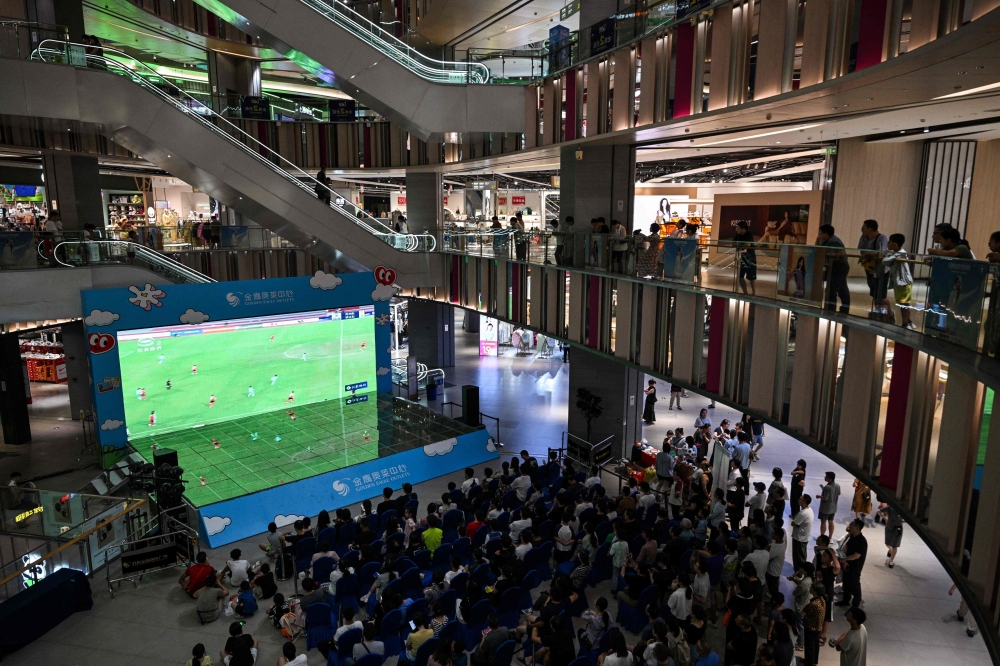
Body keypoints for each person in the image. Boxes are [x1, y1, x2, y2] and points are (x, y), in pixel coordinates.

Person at [882, 233, 914, 329]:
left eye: (889, 242)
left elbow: (885, 261)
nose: (887, 244)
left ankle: (905, 323)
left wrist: (885, 255)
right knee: (903, 303)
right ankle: (908, 321)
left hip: (903, 283)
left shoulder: (900, 254)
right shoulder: (897, 253)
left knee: (904, 303)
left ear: (895, 245)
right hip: (901, 283)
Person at [857, 219, 890, 313]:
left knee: (881, 296)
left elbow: (882, 254)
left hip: (881, 270)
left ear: (870, 229)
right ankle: (878, 313)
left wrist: (867, 254)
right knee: (875, 294)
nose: (862, 230)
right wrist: (873, 254)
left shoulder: (882, 237)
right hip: (870, 270)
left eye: (863, 228)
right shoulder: (863, 237)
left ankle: (889, 314)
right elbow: (861, 251)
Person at [817, 224, 850, 313]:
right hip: (837, 267)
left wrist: (828, 254)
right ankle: (844, 308)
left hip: (839, 268)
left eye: (820, 233)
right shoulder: (828, 240)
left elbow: (841, 253)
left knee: (832, 290)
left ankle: (831, 310)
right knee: (842, 288)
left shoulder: (833, 241)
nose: (819, 235)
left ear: (826, 234)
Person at [837, 519, 867, 609]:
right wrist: (845, 561)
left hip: (855, 567)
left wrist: (845, 559)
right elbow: (846, 548)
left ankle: (855, 606)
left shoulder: (861, 541)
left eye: (852, 524)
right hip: (847, 565)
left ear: (857, 528)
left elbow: (856, 555)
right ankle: (845, 600)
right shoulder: (852, 536)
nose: (850, 525)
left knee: (855, 586)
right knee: (846, 583)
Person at [802, 583, 827, 666]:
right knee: (815, 646)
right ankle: (813, 661)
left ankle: (808, 663)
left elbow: (803, 612)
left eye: (812, 588)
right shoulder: (822, 600)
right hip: (818, 627)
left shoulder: (813, 604)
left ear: (815, 591)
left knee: (810, 647)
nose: (810, 588)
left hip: (811, 628)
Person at [732, 221, 757, 296]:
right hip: (741, 258)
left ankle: (754, 293)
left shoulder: (748, 234)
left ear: (743, 229)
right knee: (740, 276)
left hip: (750, 258)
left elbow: (748, 245)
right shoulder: (738, 235)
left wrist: (740, 245)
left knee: (751, 277)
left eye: (738, 228)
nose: (736, 229)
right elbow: (733, 243)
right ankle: (745, 293)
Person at [791, 495, 814, 571]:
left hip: (799, 538)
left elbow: (794, 523)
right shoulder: (809, 509)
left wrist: (795, 520)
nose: (798, 500)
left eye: (800, 499)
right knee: (802, 555)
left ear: (804, 502)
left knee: (798, 557)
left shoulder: (803, 513)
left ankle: (799, 572)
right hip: (804, 536)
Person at [818, 472, 841, 538]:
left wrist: (819, 496)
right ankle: (830, 537)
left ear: (830, 479)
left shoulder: (827, 487)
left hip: (825, 508)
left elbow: (825, 498)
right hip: (833, 507)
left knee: (823, 521)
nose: (825, 477)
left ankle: (822, 537)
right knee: (831, 521)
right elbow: (838, 493)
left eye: (826, 477)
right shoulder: (837, 485)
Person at [879, 503, 902, 568]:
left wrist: (902, 521)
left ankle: (891, 560)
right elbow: (878, 511)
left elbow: (909, 518)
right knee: (888, 543)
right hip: (889, 527)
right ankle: (890, 550)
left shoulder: (902, 510)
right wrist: (885, 518)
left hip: (898, 528)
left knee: (895, 545)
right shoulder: (889, 508)